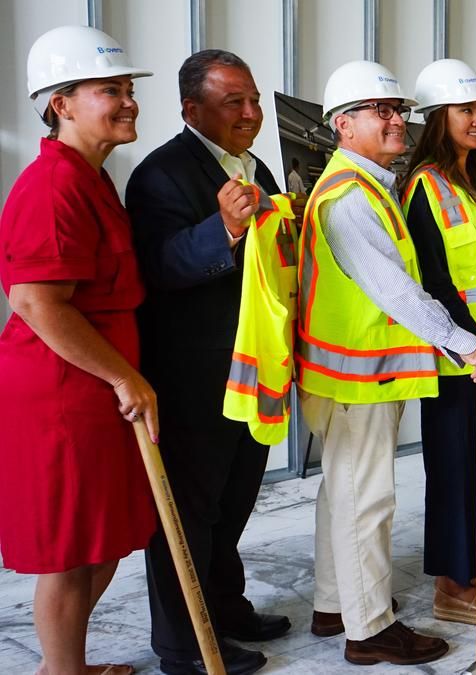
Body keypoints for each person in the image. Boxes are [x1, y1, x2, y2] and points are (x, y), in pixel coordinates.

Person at [298, 59, 476, 664]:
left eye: (398, 110)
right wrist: (468, 344)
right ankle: (369, 629)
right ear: (343, 125)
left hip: (354, 370)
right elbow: (397, 292)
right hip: (358, 375)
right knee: (367, 500)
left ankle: (334, 604)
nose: (396, 121)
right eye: (380, 111)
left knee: (344, 492)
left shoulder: (366, 185)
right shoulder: (350, 199)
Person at [126, 49, 289, 674]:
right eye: (233, 103)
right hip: (194, 375)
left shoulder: (255, 167)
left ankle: (224, 605)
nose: (251, 113)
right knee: (187, 513)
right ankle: (184, 643)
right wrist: (220, 229)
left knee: (236, 496)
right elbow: (157, 267)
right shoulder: (161, 175)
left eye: (252, 100)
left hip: (252, 367)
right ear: (192, 109)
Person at [0, 26, 155, 675]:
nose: (127, 101)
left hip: (95, 386)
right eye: (108, 90)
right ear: (60, 103)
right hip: (62, 392)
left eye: (127, 89)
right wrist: (126, 378)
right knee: (69, 550)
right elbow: (35, 303)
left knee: (105, 540)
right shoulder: (52, 186)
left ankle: (64, 665)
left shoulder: (91, 178)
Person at [400, 58, 476, 626]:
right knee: (455, 467)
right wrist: (467, 343)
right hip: (456, 359)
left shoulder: (474, 181)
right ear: (437, 119)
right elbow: (434, 280)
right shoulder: (425, 188)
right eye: (465, 110)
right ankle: (452, 584)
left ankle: (474, 566)